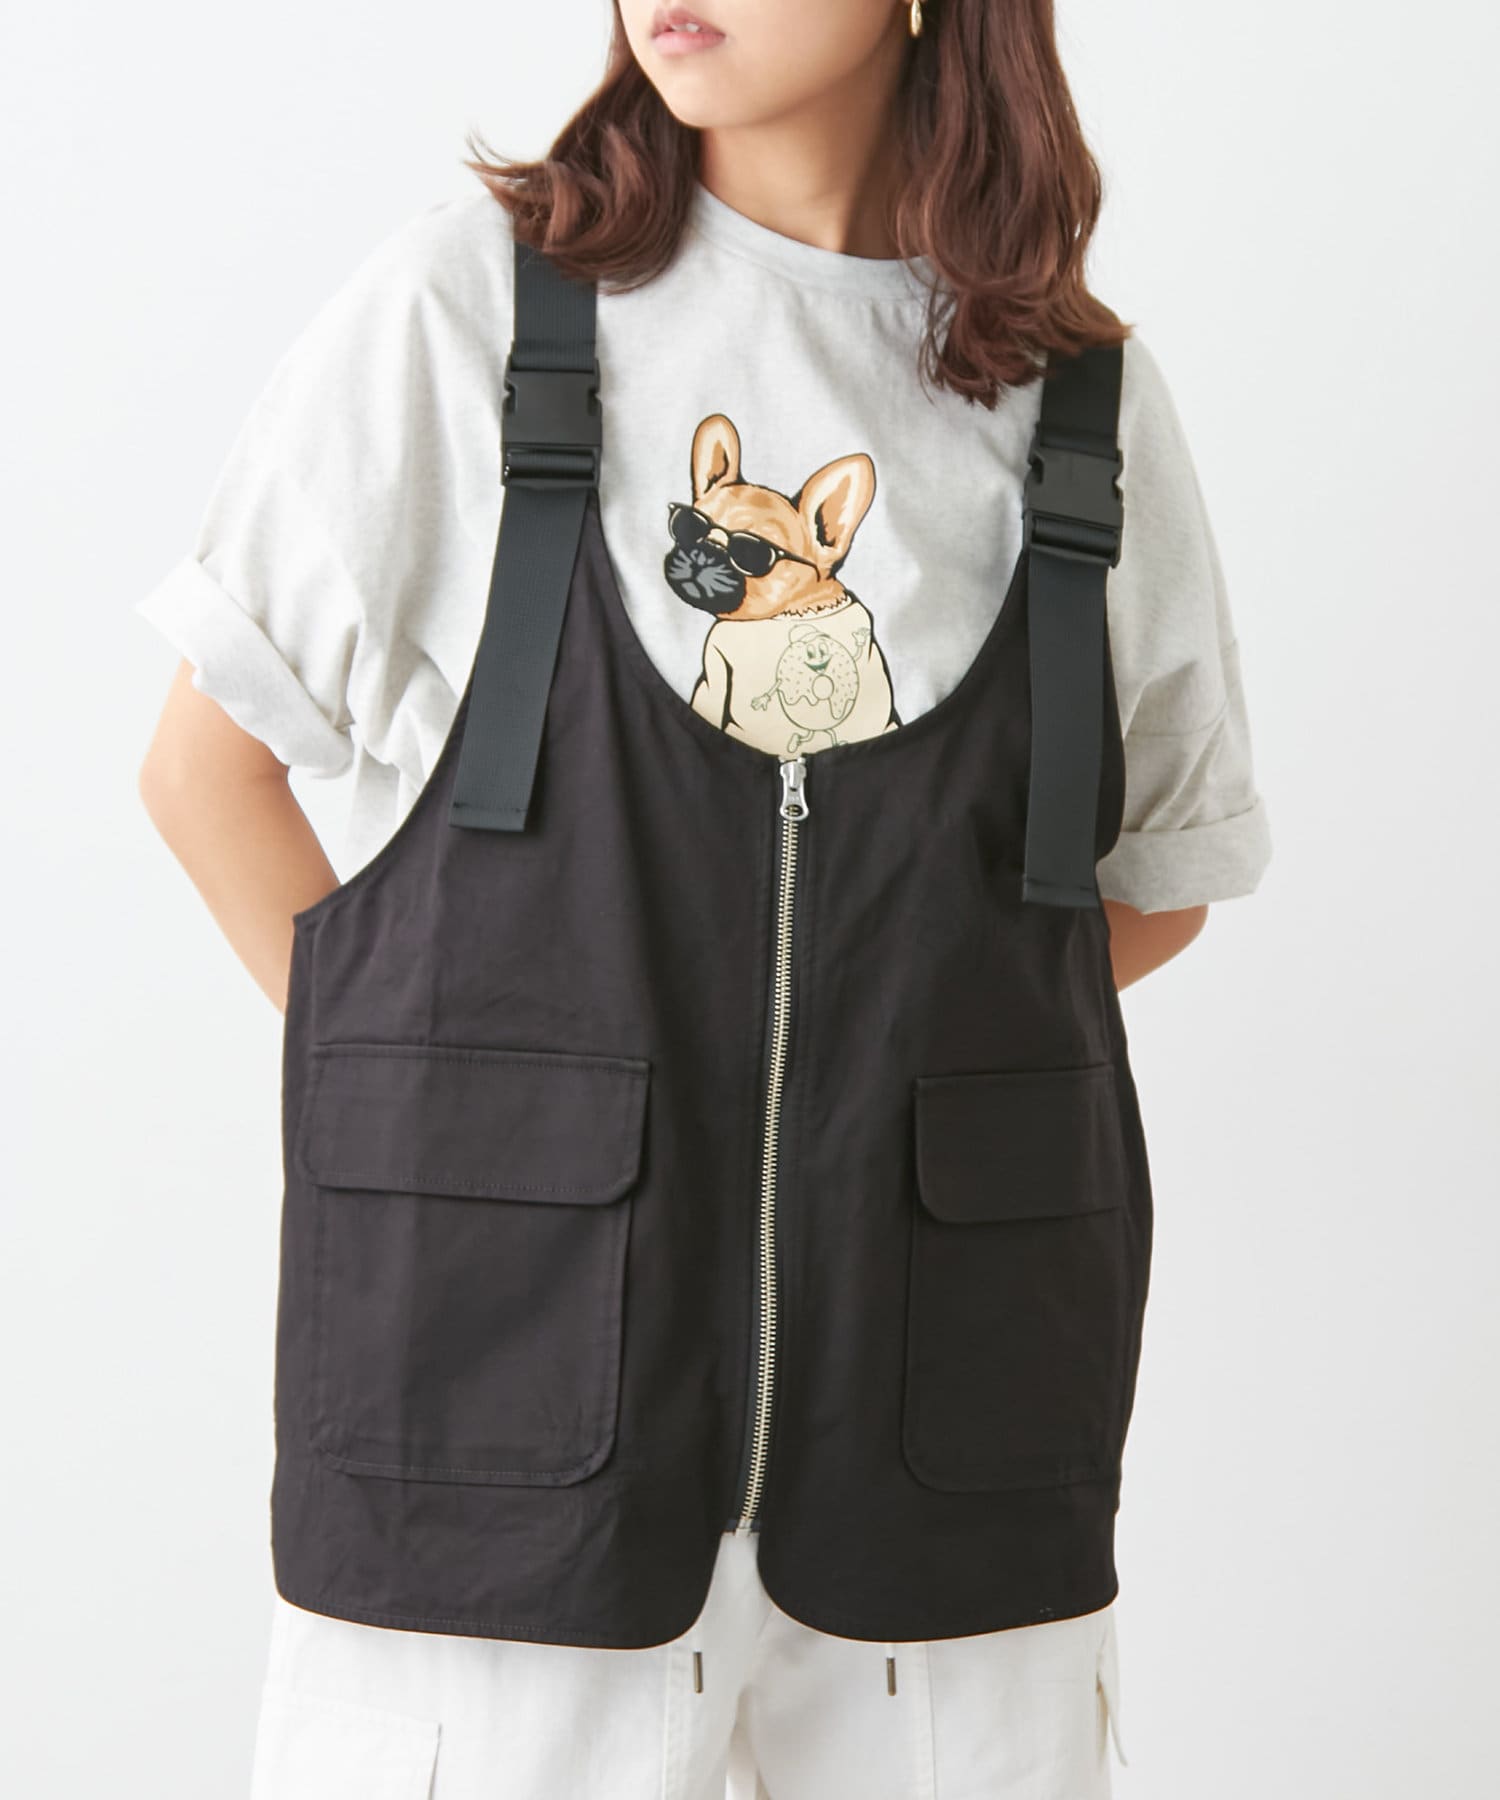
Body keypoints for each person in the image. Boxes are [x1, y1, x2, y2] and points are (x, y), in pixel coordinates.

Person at [135, 2, 1273, 1795]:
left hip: (951, 1487)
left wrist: (844, 1086)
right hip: (495, 1471)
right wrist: (453, 1107)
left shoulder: (1082, 407)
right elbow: (205, 774)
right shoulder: (471, 314)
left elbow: (1144, 889)